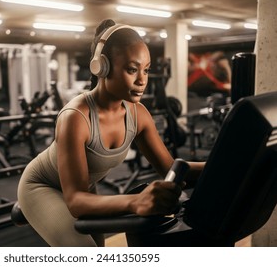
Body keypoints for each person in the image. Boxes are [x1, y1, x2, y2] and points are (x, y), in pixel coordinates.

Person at [17, 19, 205, 247]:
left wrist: (226, 163)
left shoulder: (138, 114)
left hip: (84, 186)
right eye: (132, 69)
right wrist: (135, 202)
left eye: (146, 70)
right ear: (102, 67)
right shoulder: (75, 117)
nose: (142, 80)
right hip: (42, 187)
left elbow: (171, 168)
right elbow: (76, 201)